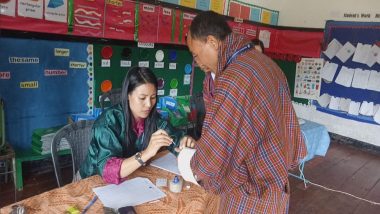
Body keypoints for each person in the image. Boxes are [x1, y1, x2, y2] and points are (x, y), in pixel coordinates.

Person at [185, 11, 306, 213]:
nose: (197, 63)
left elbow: (216, 153)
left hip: (252, 193)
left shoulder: (236, 77)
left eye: (196, 55)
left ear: (213, 42)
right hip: (276, 184)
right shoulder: (266, 64)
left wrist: (190, 162)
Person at [79, 67, 195, 184]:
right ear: (128, 95)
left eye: (153, 97)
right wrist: (147, 153)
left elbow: (174, 138)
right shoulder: (108, 122)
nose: (149, 104)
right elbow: (108, 170)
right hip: (92, 180)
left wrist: (184, 142)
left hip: (130, 180)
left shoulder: (154, 119)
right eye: (142, 98)